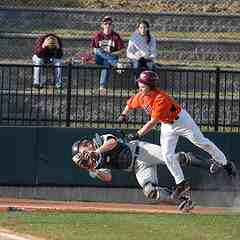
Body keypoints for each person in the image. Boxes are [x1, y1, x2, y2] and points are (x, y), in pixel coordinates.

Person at [117, 70, 238, 201]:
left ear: (150, 85)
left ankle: (225, 163)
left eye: (142, 83)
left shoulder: (160, 98)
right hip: (167, 125)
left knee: (202, 142)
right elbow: (129, 104)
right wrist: (123, 115)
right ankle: (181, 184)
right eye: (140, 82)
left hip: (181, 121)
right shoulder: (142, 96)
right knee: (167, 155)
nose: (139, 85)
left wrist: (136, 135)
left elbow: (152, 123)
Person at [71, 132, 217, 212]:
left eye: (85, 145)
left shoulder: (100, 139)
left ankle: (208, 164)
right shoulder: (96, 164)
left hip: (141, 151)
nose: (87, 146)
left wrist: (96, 152)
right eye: (83, 148)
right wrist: (92, 169)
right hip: (137, 168)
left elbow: (113, 142)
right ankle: (184, 200)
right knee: (150, 191)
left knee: (176, 158)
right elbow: (108, 177)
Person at [91, 16, 125, 96]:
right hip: (99, 58)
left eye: (109, 24)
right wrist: (107, 55)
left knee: (106, 62)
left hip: (110, 59)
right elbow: (94, 49)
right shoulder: (98, 35)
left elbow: (122, 50)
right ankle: (116, 64)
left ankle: (102, 87)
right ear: (102, 25)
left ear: (112, 26)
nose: (107, 25)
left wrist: (111, 54)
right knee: (99, 50)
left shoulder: (116, 36)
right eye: (105, 23)